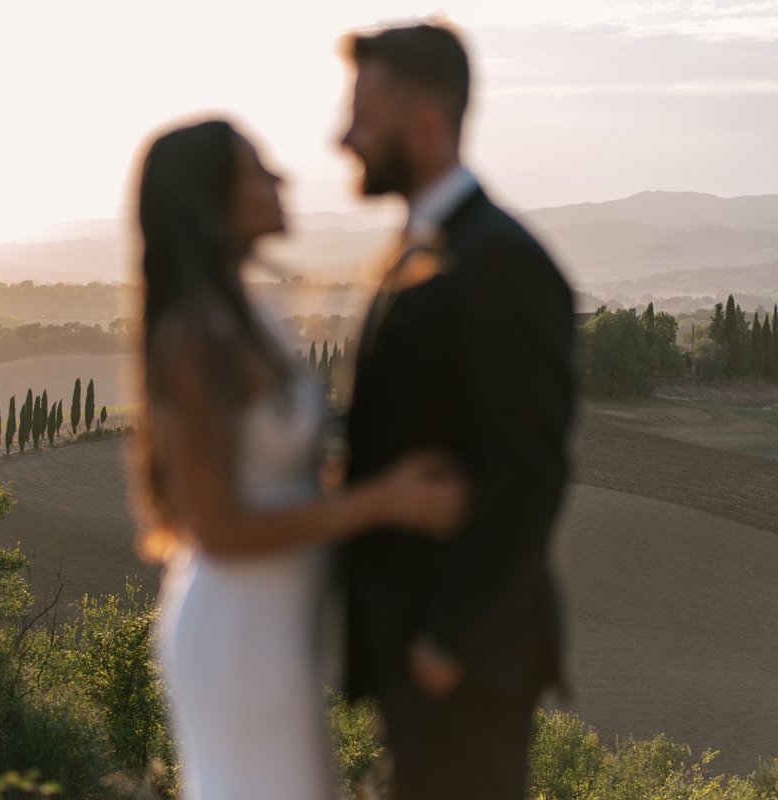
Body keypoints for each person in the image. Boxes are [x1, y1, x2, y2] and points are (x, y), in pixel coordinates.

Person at [135, 118, 467, 800]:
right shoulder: (199, 336)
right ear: (213, 201)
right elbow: (220, 529)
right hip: (238, 629)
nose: (280, 179)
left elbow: (279, 480)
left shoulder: (243, 319)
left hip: (278, 622)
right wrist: (382, 501)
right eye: (258, 170)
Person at [338, 22, 576, 800]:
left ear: (426, 124)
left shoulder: (500, 262)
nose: (344, 137)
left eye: (364, 117)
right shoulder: (426, 248)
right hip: (413, 649)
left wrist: (444, 639)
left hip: (464, 664)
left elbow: (532, 474)